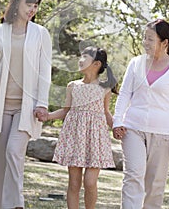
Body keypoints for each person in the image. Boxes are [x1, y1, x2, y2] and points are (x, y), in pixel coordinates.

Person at [0, 0, 52, 209]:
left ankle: (16, 204)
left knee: (14, 151)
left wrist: (42, 103)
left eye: (36, 5)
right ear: (16, 4)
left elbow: (44, 71)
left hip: (26, 108)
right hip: (0, 107)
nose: (33, 9)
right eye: (29, 4)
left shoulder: (41, 34)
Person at [113, 19, 169, 209]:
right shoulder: (135, 63)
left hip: (163, 132)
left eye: (150, 39)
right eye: (144, 38)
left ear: (164, 43)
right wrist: (117, 121)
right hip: (133, 128)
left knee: (155, 184)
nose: (145, 42)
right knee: (133, 175)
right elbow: (124, 95)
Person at [41, 46, 117, 209]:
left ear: (96, 64)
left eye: (85, 58)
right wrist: (48, 116)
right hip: (75, 137)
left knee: (90, 182)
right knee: (74, 183)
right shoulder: (73, 86)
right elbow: (65, 110)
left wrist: (118, 128)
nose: (80, 60)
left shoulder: (104, 88)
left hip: (94, 139)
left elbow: (106, 113)